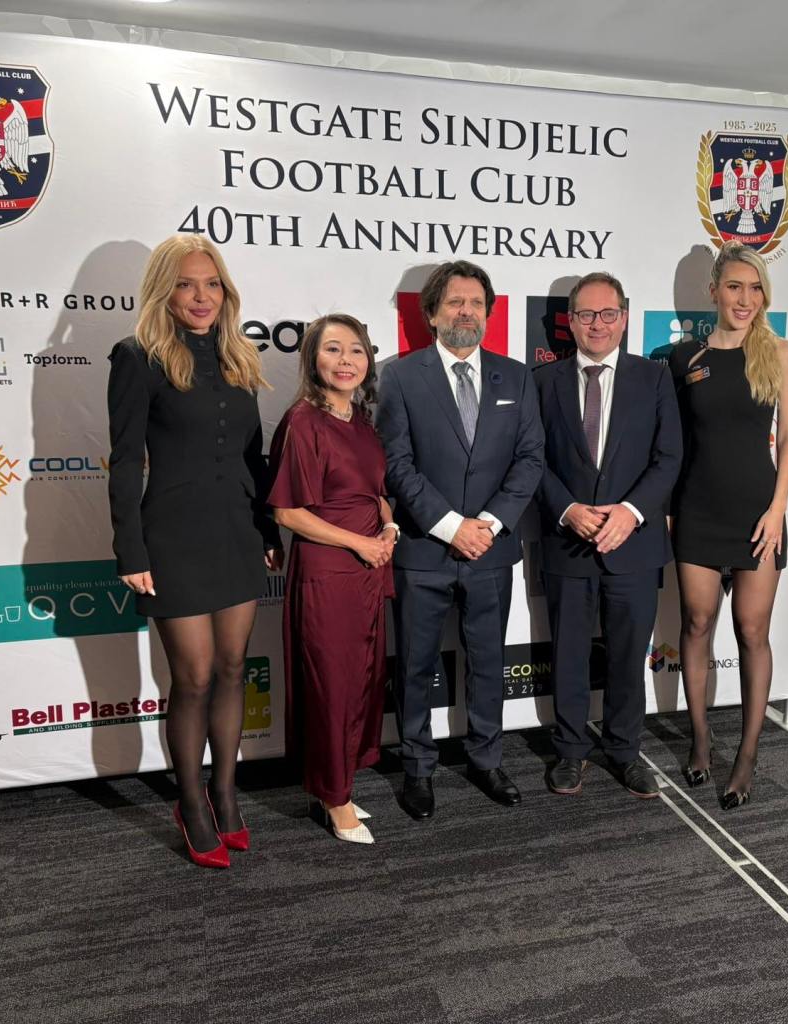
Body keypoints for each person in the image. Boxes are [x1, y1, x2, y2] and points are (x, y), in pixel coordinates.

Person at [107, 235, 281, 868]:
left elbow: (254, 457)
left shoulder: (240, 356)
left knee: (234, 668)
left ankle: (225, 796)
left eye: (211, 284)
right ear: (164, 290)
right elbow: (124, 461)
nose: (201, 296)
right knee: (195, 677)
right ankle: (191, 803)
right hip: (173, 538)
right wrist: (130, 549)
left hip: (236, 533)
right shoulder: (137, 357)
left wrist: (267, 531)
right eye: (185, 284)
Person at [377, 260, 544, 819]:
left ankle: (486, 758)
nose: (466, 312)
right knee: (415, 664)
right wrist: (451, 526)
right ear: (431, 313)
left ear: (489, 313)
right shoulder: (400, 377)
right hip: (424, 551)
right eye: (454, 302)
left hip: (492, 551)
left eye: (476, 303)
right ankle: (417, 768)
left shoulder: (516, 376)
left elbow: (530, 459)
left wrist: (488, 524)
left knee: (489, 660)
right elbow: (397, 464)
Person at [536, 272, 681, 800]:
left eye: (607, 313)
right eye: (586, 314)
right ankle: (570, 751)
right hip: (568, 542)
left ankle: (624, 751)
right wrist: (567, 509)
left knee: (627, 657)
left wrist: (632, 512)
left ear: (624, 317)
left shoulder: (654, 378)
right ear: (570, 322)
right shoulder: (542, 382)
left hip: (634, 546)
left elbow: (669, 457)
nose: (597, 324)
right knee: (569, 655)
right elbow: (532, 460)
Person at [670, 241, 788, 809]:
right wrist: (671, 511)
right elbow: (677, 444)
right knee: (697, 622)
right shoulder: (685, 359)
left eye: (754, 289)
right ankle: (700, 740)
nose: (745, 299)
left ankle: (746, 755)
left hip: (758, 513)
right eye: (734, 287)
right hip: (698, 510)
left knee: (752, 631)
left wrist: (778, 509)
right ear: (714, 292)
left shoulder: (780, 353)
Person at [267, 314, 396, 845]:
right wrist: (360, 543)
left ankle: (335, 787)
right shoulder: (302, 422)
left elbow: (375, 491)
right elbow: (287, 512)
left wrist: (388, 527)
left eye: (356, 350)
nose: (347, 360)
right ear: (312, 359)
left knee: (359, 682)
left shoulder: (361, 421)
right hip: (327, 574)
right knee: (331, 688)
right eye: (333, 349)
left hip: (368, 572)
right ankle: (334, 797)